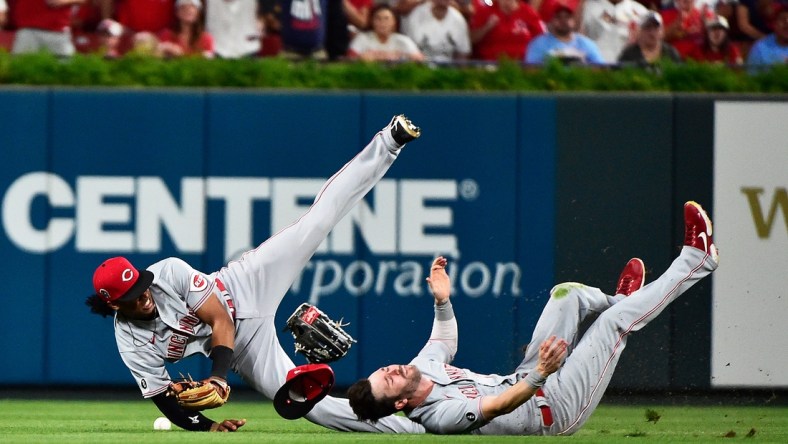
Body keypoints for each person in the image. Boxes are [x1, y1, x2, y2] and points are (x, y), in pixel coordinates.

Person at [85, 115, 427, 434]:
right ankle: (421, 429)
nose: (144, 295)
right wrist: (210, 427)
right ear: (115, 305)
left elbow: (220, 319)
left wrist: (218, 377)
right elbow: (164, 398)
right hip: (246, 348)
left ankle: (389, 142)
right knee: (310, 406)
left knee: (317, 222)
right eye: (133, 297)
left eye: (142, 287)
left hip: (246, 284)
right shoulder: (131, 343)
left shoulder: (167, 272)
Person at [347, 201, 719, 435]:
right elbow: (500, 406)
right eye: (390, 380)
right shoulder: (438, 417)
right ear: (399, 404)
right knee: (612, 325)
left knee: (567, 295)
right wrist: (541, 372)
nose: (393, 369)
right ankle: (696, 261)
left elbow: (443, 342)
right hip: (554, 410)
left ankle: (621, 300)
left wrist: (442, 302)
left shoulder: (419, 369)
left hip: (530, 378)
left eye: (386, 369)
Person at [525, 2, 605, 65]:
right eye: (558, 17)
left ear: (573, 21)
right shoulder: (538, 44)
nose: (563, 20)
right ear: (551, 21)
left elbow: (600, 69)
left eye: (567, 17)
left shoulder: (586, 43)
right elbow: (531, 70)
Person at [469, 0, 545, 61]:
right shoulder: (484, 12)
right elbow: (472, 39)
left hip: (523, 65)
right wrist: (487, 27)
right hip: (490, 64)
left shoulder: (529, 13)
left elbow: (542, 40)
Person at [347, 4, 424, 61]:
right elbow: (348, 60)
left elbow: (420, 59)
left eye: (386, 19)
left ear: (394, 22)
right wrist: (360, 59)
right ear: (372, 21)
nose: (382, 23)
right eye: (378, 18)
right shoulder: (362, 39)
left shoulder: (403, 40)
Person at [401, 0, 472, 62]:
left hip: (448, 71)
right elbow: (408, 52)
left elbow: (462, 55)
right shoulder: (415, 16)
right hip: (421, 70)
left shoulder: (458, 19)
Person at [581, 0, 649, 64]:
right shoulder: (589, 7)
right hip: (595, 67)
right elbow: (579, 39)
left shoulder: (641, 11)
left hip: (628, 69)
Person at [11, 0, 87, 57]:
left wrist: (65, 1)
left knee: (64, 70)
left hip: (58, 31)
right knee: (20, 69)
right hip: (28, 29)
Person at [618, 11, 683, 67]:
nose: (652, 33)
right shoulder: (629, 54)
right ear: (639, 31)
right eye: (648, 28)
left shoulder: (670, 53)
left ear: (662, 31)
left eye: (656, 28)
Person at [746, 3, 788, 68]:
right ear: (774, 23)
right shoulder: (760, 47)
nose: (787, 25)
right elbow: (751, 76)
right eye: (783, 19)